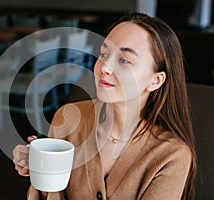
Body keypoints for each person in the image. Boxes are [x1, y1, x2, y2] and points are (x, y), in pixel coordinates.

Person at [13, 12, 197, 200]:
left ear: (155, 81)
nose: (104, 67)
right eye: (104, 54)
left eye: (124, 60)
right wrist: (41, 171)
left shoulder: (172, 156)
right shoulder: (68, 117)